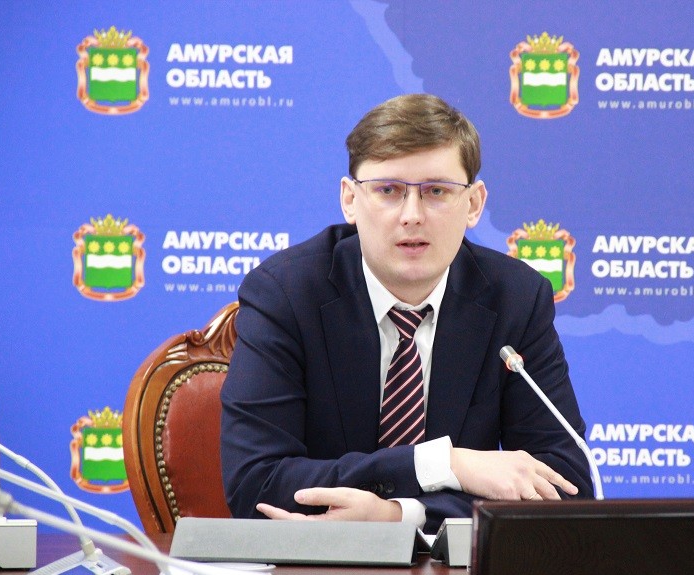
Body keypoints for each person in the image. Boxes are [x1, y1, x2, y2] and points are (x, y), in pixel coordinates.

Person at [220, 93, 593, 533]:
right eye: (388, 190)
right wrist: (444, 463)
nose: (412, 216)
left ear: (474, 204)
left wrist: (400, 515)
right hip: (316, 571)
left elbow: (566, 488)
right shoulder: (286, 294)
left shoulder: (516, 299)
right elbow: (256, 483)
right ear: (350, 200)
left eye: (436, 191)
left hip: (456, 574)